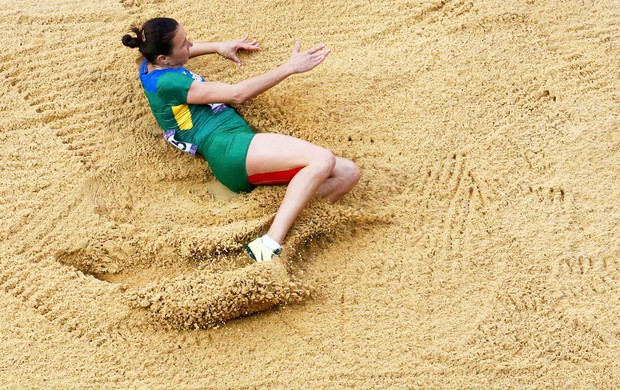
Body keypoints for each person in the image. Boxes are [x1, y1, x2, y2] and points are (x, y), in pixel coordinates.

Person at [122, 17, 360, 262]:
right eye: (184, 44)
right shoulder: (169, 83)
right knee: (321, 159)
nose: (191, 45)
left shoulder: (148, 63)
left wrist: (217, 47)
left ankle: (280, 222)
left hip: (238, 149)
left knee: (347, 173)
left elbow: (177, 55)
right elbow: (238, 94)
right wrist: (290, 67)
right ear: (163, 58)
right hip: (229, 148)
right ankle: (269, 245)